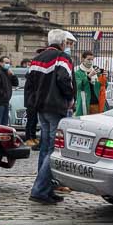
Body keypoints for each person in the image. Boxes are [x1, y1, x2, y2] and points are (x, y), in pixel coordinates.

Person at [27, 29, 75, 205]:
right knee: (53, 150)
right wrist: (69, 97)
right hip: (55, 106)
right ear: (62, 43)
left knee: (46, 148)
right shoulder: (62, 57)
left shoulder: (37, 58)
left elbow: (30, 84)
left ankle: (46, 187)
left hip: (41, 107)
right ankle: (40, 190)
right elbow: (64, 80)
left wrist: (34, 103)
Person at [0, 56, 18, 126]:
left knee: (5, 122)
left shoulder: (7, 72)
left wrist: (13, 75)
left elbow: (16, 83)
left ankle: (3, 136)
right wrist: (3, 94)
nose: (8, 64)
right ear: (1, 63)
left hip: (6, 101)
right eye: (6, 63)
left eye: (9, 63)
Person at [75, 51, 100, 117]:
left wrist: (104, 77)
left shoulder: (96, 71)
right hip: (85, 102)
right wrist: (88, 76)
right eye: (88, 59)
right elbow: (79, 86)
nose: (90, 61)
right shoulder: (78, 73)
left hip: (97, 103)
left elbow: (103, 86)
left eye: (92, 59)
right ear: (83, 59)